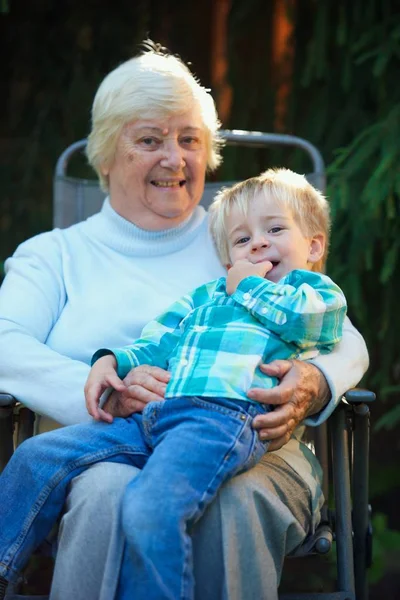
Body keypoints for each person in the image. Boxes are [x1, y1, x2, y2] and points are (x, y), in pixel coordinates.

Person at [0, 42, 368, 600]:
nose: (175, 159)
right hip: (112, 439)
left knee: (236, 501)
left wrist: (316, 383)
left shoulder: (243, 239)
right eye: (150, 140)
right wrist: (104, 391)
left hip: (255, 444)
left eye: (189, 140)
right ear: (105, 154)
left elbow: (343, 332)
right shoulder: (54, 255)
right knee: (106, 493)